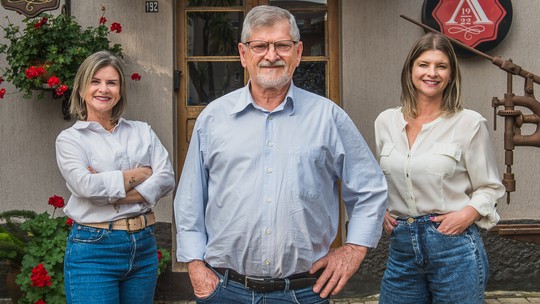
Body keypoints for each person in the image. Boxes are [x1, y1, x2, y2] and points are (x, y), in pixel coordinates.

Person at [173, 5, 387, 304]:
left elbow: (369, 189)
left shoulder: (328, 117)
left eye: (282, 45)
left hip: (304, 292)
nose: (271, 55)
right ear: (243, 53)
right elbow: (190, 200)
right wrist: (195, 266)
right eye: (260, 45)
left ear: (297, 53)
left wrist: (354, 249)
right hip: (224, 289)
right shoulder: (213, 118)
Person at [375, 32, 505, 304]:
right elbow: (384, 177)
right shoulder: (385, 122)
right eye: (423, 64)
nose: (431, 73)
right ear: (410, 69)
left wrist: (467, 214)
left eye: (441, 66)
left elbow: (490, 186)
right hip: (401, 249)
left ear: (451, 74)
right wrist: (381, 209)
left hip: (453, 247)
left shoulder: (469, 123)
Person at [55, 50, 175, 304]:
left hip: (143, 246)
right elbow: (86, 187)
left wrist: (106, 190)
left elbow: (166, 178)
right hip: (93, 249)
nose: (104, 89)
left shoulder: (142, 131)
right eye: (95, 81)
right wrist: (141, 174)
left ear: (120, 90)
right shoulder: (70, 140)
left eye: (112, 82)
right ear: (80, 89)